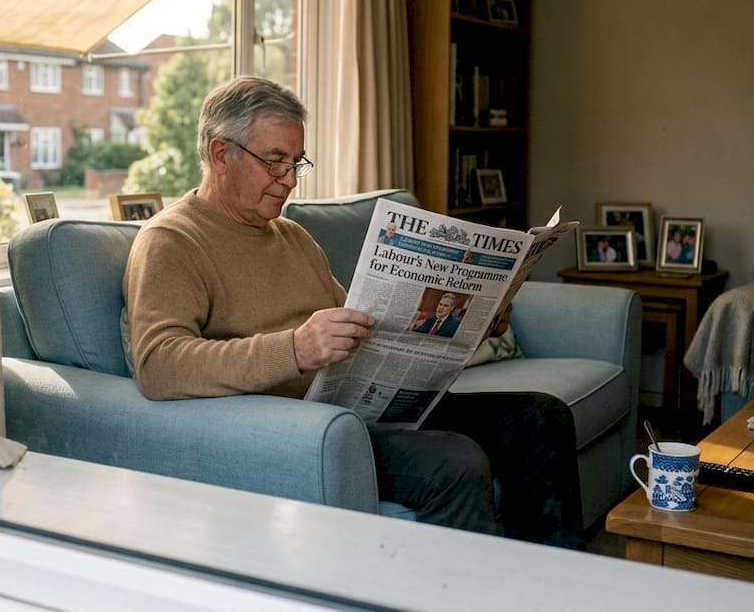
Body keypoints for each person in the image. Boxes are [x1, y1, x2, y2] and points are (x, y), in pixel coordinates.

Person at [123, 75, 583, 547]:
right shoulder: (171, 240)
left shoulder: (292, 236)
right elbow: (159, 365)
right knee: (454, 460)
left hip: (359, 404)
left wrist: (474, 320)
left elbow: (364, 326)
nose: (289, 180)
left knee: (541, 417)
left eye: (296, 162)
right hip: (298, 429)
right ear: (221, 154)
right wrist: (295, 348)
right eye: (274, 161)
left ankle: (551, 578)